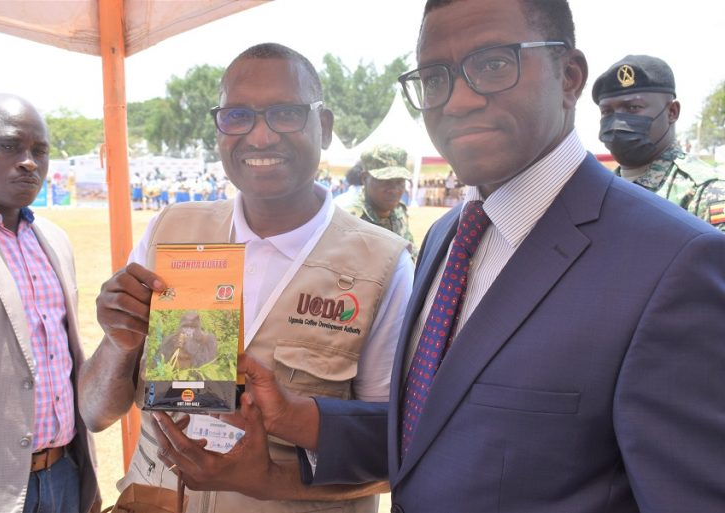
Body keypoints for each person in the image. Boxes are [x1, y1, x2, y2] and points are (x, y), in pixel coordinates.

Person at [149, 1, 725, 512]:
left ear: (569, 75)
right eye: (435, 77)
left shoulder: (675, 265)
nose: (461, 98)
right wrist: (299, 420)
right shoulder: (450, 235)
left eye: (494, 64)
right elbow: (433, 428)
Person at [78, 43, 414, 513]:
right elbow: (95, 413)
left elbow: (395, 451)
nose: (259, 137)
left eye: (285, 114)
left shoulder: (381, 266)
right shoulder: (169, 231)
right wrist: (119, 341)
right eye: (238, 116)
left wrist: (270, 481)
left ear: (327, 128)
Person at [0, 94, 100, 513]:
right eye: (9, 146)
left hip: (66, 473)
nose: (29, 162)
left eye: (40, 151)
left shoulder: (54, 240)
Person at [593, 54, 725, 231]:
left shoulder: (705, 192)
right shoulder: (599, 191)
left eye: (633, 108)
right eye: (607, 112)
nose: (618, 122)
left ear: (672, 112)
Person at [344, 144, 417, 259]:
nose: (393, 190)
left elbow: (410, 253)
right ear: (364, 179)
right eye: (385, 181)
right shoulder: (349, 219)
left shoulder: (399, 210)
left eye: (400, 181)